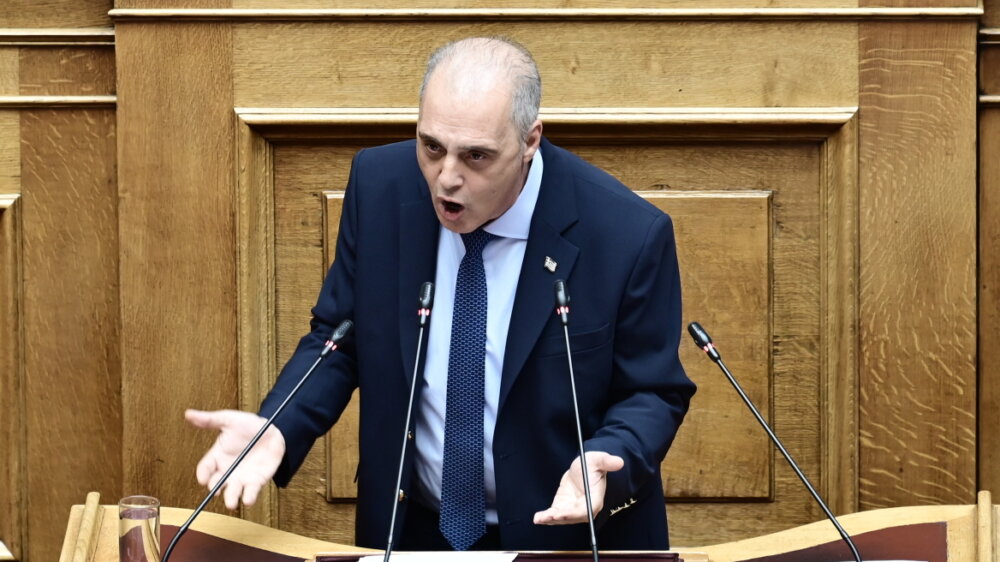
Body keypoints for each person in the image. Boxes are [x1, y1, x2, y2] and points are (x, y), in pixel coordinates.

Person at [186, 36, 696, 552]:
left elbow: (653, 392)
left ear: (529, 141)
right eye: (431, 147)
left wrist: (610, 457)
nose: (446, 178)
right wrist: (279, 426)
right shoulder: (380, 188)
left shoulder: (626, 233)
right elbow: (339, 338)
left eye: (476, 156)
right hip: (414, 530)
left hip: (564, 536)